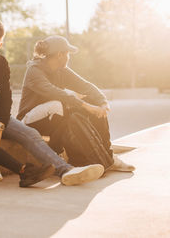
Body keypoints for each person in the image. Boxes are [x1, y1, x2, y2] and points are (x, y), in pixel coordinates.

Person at [0, 20, 104, 186]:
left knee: (31, 134)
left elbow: (6, 99)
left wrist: (0, 125)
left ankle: (66, 170)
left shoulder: (1, 64)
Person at [17, 35, 135, 172]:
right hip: (29, 122)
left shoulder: (62, 70)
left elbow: (85, 86)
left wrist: (102, 103)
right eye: (68, 54)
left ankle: (107, 156)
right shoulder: (34, 71)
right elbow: (56, 93)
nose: (69, 57)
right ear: (60, 55)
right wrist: (86, 107)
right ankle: (61, 155)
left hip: (55, 118)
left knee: (86, 102)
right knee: (59, 104)